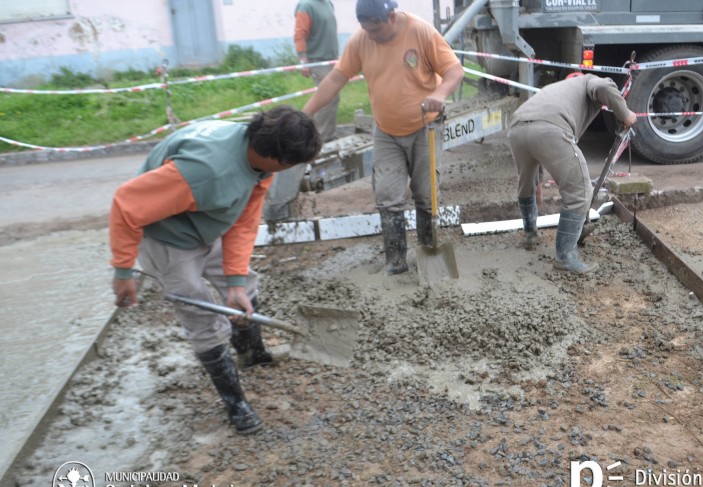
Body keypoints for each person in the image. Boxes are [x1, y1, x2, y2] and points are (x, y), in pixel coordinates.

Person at [109, 106, 321, 434]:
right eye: (289, 165)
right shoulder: (205, 170)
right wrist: (123, 271)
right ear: (273, 156)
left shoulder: (260, 162)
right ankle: (235, 403)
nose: (290, 169)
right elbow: (126, 204)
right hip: (168, 237)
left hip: (208, 221)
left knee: (245, 287)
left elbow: (244, 218)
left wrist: (234, 281)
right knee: (199, 313)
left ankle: (252, 353)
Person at [302, 0, 464, 275]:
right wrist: (306, 113)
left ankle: (428, 249)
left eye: (375, 30)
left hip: (425, 127)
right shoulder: (361, 40)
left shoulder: (420, 31)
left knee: (426, 195)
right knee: (387, 195)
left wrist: (439, 93)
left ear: (390, 16)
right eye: (366, 30)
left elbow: (454, 70)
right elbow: (335, 78)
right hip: (386, 131)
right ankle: (396, 261)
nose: (371, 36)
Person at [507, 72, 637, 273]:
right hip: (550, 128)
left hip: (517, 129)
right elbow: (604, 88)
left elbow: (535, 131)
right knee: (580, 192)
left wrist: (537, 180)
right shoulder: (588, 80)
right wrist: (625, 113)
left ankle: (530, 235)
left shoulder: (554, 90)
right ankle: (565, 257)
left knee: (528, 186)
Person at [294, 0, 340, 142]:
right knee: (328, 98)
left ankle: (323, 133)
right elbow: (300, 34)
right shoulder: (306, 6)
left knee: (331, 98)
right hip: (318, 60)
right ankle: (322, 136)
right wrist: (303, 59)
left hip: (331, 59)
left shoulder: (328, 3)